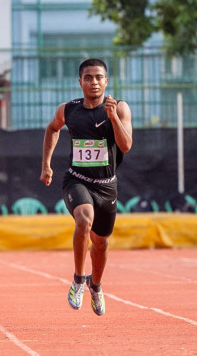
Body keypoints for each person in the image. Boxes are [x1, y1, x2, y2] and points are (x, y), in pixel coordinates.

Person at [40, 58, 134, 317]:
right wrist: (46, 164)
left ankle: (96, 285)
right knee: (84, 219)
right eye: (88, 77)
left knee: (101, 243)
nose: (94, 82)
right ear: (80, 82)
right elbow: (52, 129)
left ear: (106, 81)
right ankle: (79, 279)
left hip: (106, 186)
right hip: (77, 180)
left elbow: (125, 146)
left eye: (98, 77)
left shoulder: (120, 108)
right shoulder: (68, 110)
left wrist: (113, 116)